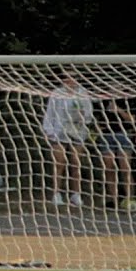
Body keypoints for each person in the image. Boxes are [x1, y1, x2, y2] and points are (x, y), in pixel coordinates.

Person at [42, 76, 94, 207]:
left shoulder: (83, 93)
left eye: (73, 78)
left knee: (76, 163)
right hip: (59, 132)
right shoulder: (57, 93)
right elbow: (50, 113)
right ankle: (56, 193)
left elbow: (88, 114)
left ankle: (76, 194)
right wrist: (48, 131)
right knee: (59, 163)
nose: (70, 81)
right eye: (67, 78)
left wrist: (83, 116)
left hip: (77, 131)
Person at [95, 101, 136, 210]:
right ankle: (114, 200)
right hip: (106, 135)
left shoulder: (127, 100)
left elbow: (131, 119)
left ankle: (130, 198)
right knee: (109, 169)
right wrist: (98, 128)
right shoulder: (102, 100)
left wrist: (118, 109)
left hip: (123, 134)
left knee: (125, 168)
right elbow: (96, 118)